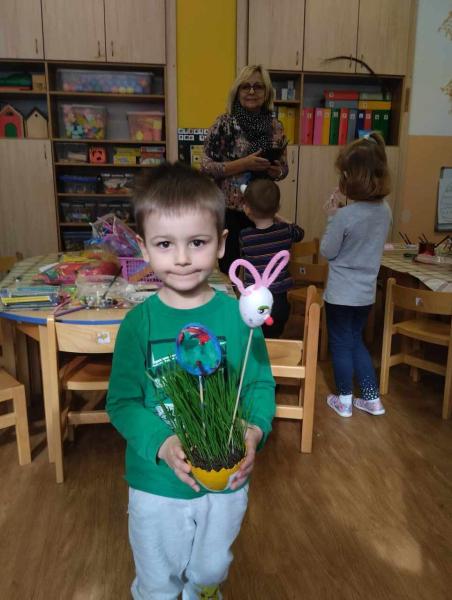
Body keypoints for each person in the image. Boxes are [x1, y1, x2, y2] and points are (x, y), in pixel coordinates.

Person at [106, 162, 275, 600]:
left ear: (221, 243)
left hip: (227, 480)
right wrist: (162, 442)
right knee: (158, 578)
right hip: (156, 484)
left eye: (197, 242)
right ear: (144, 247)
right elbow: (122, 402)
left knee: (211, 568)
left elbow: (258, 385)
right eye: (165, 244)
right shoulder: (138, 324)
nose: (182, 258)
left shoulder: (238, 317)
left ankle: (203, 591)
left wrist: (255, 429)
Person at [320, 132, 392, 418]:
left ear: (352, 178)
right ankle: (372, 399)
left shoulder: (344, 216)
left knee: (340, 343)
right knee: (355, 340)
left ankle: (345, 400)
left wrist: (332, 216)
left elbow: (328, 251)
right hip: (365, 294)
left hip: (341, 294)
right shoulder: (385, 211)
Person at [201, 64, 288, 274]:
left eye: (258, 86)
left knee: (260, 270)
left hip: (262, 209)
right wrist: (244, 164)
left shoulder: (275, 127)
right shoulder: (224, 125)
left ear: (266, 92)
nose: (251, 91)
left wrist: (277, 171)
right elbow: (205, 167)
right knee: (229, 268)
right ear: (237, 91)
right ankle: (232, 298)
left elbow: (284, 169)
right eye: (245, 86)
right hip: (229, 210)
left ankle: (255, 297)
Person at [240, 178, 304, 338]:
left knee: (254, 339)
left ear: (247, 209)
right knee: (274, 339)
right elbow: (300, 232)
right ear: (277, 208)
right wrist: (278, 217)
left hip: (254, 301)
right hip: (279, 303)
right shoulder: (285, 231)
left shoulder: (245, 236)